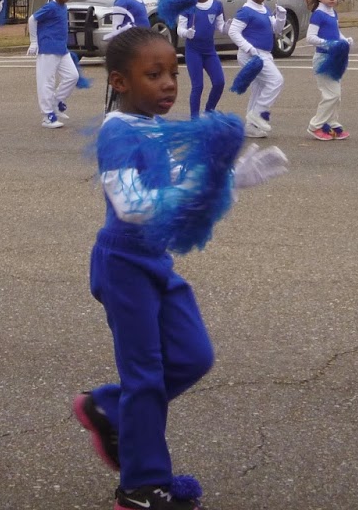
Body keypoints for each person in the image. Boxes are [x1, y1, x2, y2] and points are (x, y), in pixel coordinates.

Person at [71, 27, 289, 510]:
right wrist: (197, 191)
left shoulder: (154, 127)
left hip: (155, 262)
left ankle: (109, 405)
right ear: (120, 82)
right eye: (154, 75)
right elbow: (131, 205)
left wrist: (230, 180)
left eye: (173, 72)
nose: (169, 83)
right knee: (146, 376)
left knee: (193, 357)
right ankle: (141, 487)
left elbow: (178, 184)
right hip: (124, 265)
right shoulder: (117, 131)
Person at [225, 0, 285, 139]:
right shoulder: (246, 11)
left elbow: (276, 29)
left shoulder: (264, 8)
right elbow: (233, 31)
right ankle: (257, 114)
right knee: (276, 80)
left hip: (264, 54)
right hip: (252, 56)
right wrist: (249, 48)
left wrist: (281, 16)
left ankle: (251, 127)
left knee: (258, 88)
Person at [176, 0, 226, 120]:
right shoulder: (187, 6)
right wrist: (186, 33)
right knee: (198, 86)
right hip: (193, 51)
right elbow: (180, 28)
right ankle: (194, 120)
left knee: (219, 82)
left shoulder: (216, 5)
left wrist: (229, 27)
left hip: (209, 51)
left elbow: (220, 26)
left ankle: (209, 111)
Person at [30, 0, 78, 129]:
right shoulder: (51, 7)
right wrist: (34, 41)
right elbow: (32, 19)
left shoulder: (63, 7)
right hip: (48, 49)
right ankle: (47, 115)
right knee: (46, 82)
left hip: (61, 49)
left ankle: (57, 102)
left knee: (72, 76)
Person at [304, 0, 349, 140]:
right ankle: (315, 125)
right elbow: (310, 37)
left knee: (336, 94)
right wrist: (329, 44)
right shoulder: (318, 15)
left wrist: (344, 40)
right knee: (331, 94)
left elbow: (336, 32)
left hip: (334, 58)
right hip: (323, 58)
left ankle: (331, 123)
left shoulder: (333, 13)